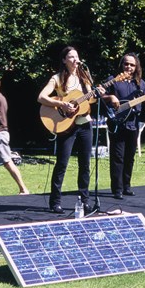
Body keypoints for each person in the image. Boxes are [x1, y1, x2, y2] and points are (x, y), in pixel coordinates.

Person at [37, 46, 104, 214]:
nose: (75, 60)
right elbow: (41, 97)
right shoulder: (57, 78)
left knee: (85, 164)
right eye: (71, 57)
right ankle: (55, 201)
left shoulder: (85, 76)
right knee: (62, 163)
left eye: (77, 56)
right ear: (64, 60)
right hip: (66, 125)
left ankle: (85, 200)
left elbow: (90, 100)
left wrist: (98, 94)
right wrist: (62, 104)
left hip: (85, 124)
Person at [103, 53, 145, 199]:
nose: (129, 67)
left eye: (132, 65)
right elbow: (98, 96)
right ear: (122, 65)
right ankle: (117, 189)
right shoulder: (113, 80)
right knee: (118, 157)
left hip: (133, 124)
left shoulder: (141, 84)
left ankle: (126, 186)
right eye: (126, 64)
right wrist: (110, 97)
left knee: (130, 157)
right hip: (117, 123)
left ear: (137, 67)